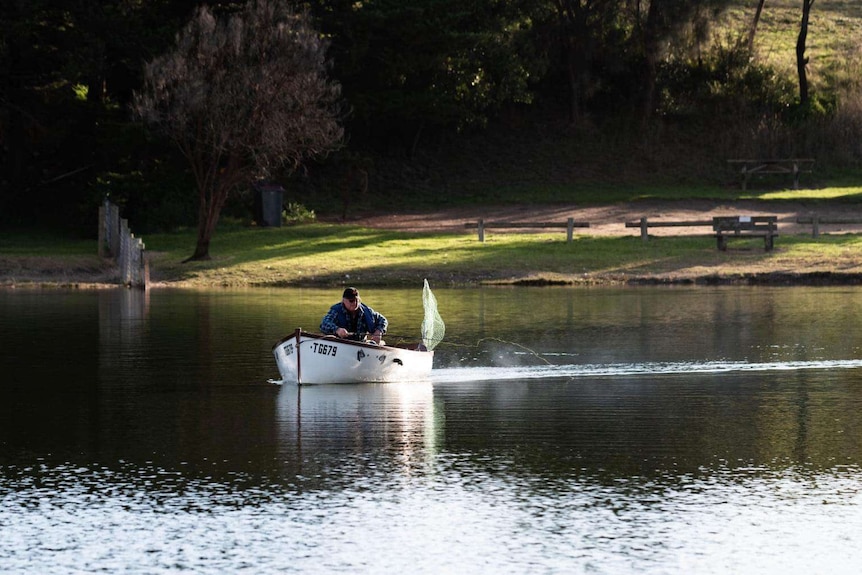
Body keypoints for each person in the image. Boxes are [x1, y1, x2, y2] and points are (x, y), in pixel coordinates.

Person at [320, 287, 388, 344]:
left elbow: (383, 320)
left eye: (357, 300)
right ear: (343, 300)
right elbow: (324, 323)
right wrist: (337, 330)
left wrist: (379, 331)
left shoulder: (367, 312)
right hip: (340, 344)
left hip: (362, 345)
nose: (355, 303)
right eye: (351, 301)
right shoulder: (336, 311)